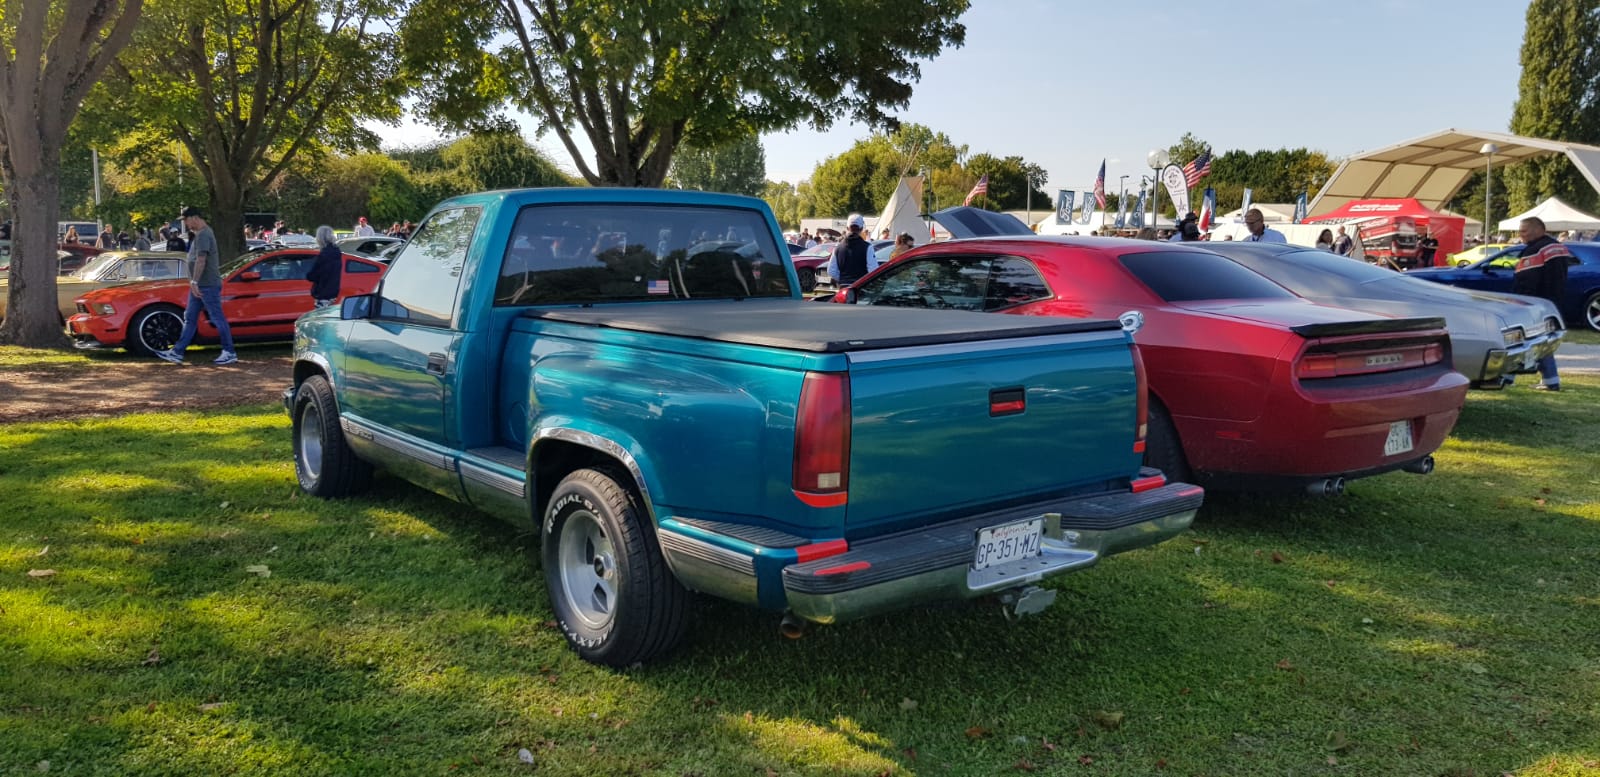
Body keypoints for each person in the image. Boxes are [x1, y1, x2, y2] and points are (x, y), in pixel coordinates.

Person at [155, 206, 236, 366]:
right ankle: (177, 352)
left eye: (185, 219)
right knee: (190, 318)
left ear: (194, 218)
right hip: (199, 286)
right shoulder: (199, 234)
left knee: (217, 317)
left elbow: (201, 260)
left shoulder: (204, 235)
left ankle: (229, 351)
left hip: (206, 285)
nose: (185, 223)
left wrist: (194, 282)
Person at [1513, 217, 1571, 391]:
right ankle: (1550, 380)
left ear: (1538, 230)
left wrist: (1520, 302)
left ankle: (1509, 378)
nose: (1520, 235)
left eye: (1524, 231)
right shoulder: (1558, 247)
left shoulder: (1535, 251)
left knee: (1528, 342)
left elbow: (1527, 280)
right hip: (1553, 302)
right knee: (1542, 342)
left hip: (1534, 304)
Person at [826, 213, 876, 287]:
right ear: (862, 229)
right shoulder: (867, 247)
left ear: (847, 228)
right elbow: (873, 270)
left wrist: (843, 280)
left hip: (844, 289)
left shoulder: (838, 248)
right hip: (861, 288)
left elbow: (831, 271)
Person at [307, 225, 342, 309]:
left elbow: (313, 275)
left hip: (323, 293)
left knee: (319, 318)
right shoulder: (336, 252)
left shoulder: (324, 255)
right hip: (333, 291)